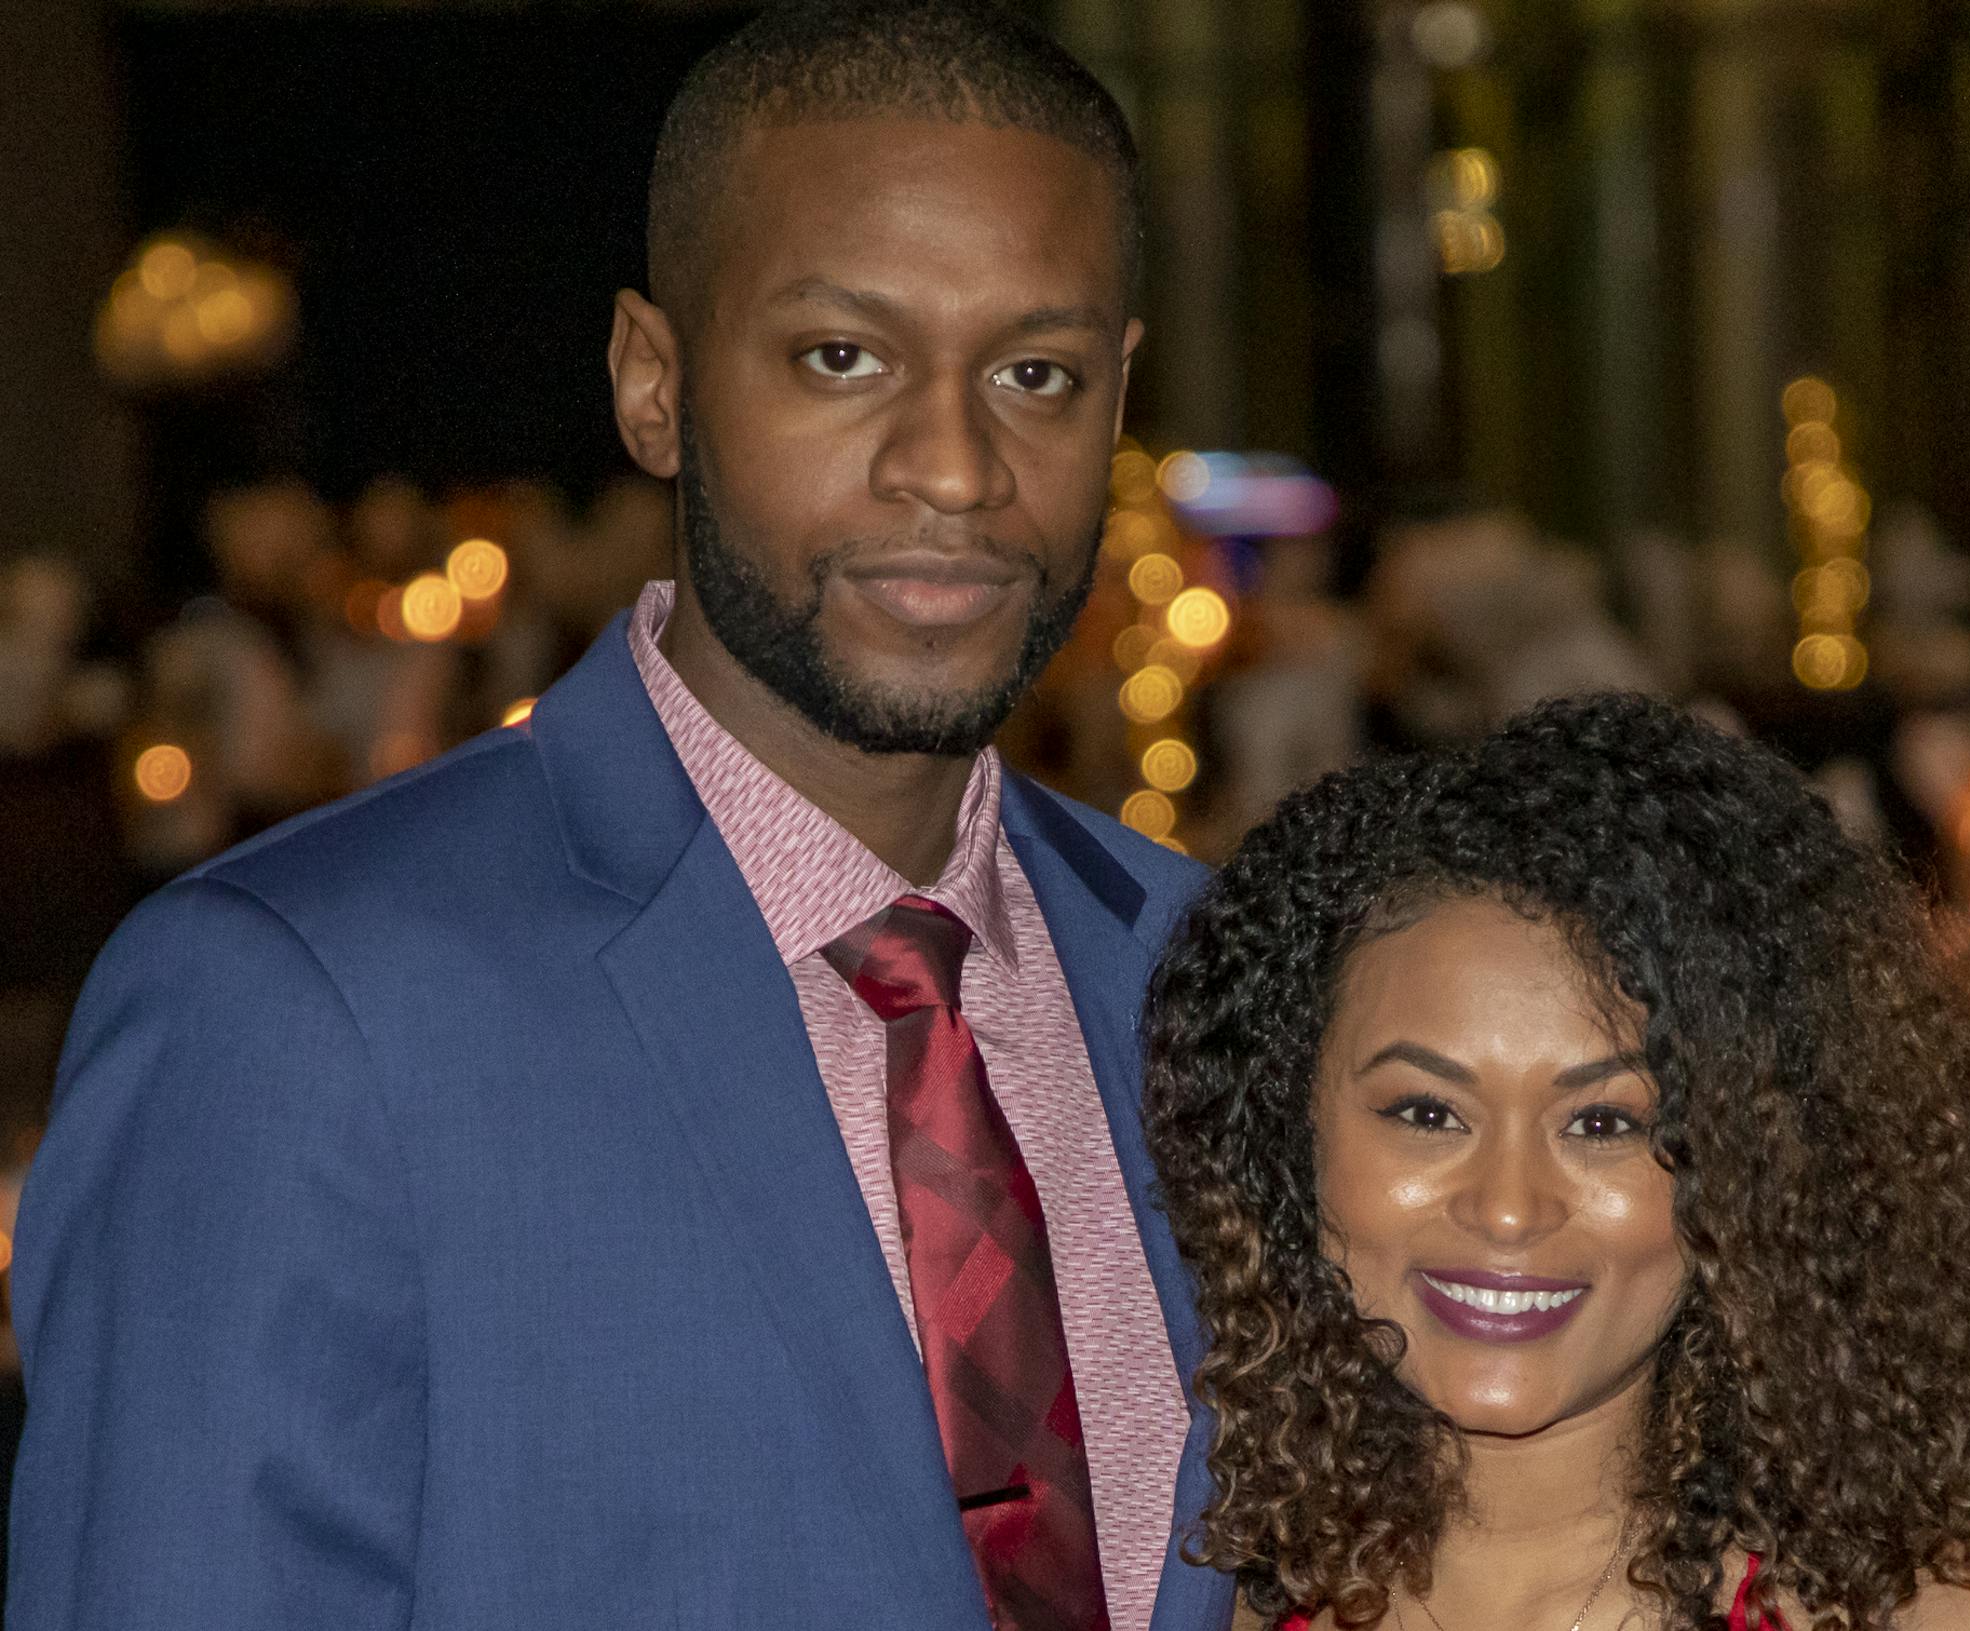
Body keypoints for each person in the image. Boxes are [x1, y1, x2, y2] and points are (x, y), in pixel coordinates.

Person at [8, 6, 1235, 1629]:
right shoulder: (296, 1008)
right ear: (652, 384)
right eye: (842, 357)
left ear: (1118, 390)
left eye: (1033, 372)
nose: (953, 464)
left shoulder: (1211, 975)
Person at [1142, 693, 1970, 1631]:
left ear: (1752, 1162)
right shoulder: (1171, 1605)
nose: (1509, 1206)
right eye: (1429, 1110)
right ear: (1285, 1133)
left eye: (1604, 1122)